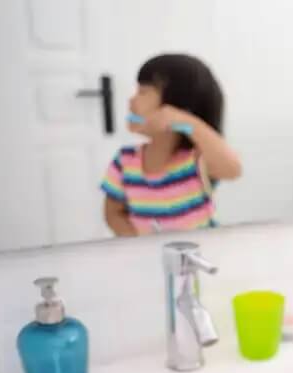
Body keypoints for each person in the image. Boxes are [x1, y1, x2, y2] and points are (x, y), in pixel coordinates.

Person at [101, 53, 241, 236]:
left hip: (199, 255)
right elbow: (113, 214)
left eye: (143, 92)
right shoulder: (125, 161)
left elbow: (233, 170)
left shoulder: (196, 160)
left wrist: (187, 122)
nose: (131, 100)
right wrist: (141, 246)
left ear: (176, 107)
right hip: (145, 256)